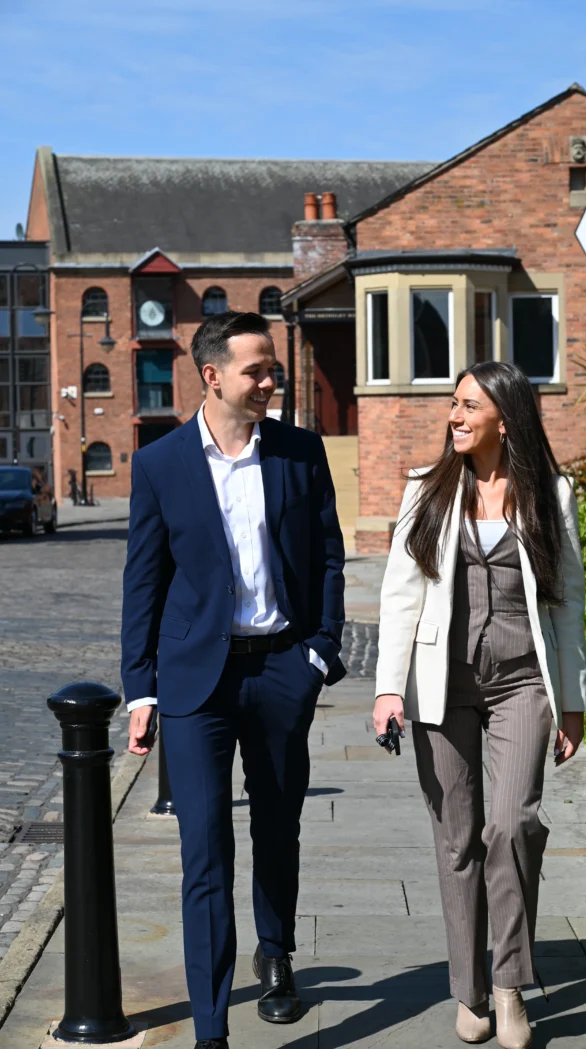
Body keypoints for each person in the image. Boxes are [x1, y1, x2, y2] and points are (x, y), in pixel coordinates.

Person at [121, 311, 345, 1049]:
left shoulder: (299, 452)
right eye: (257, 369)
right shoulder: (160, 466)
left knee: (278, 825)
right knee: (205, 850)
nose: (271, 380)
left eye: (273, 367)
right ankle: (211, 1028)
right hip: (195, 684)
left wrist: (318, 652)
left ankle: (275, 954)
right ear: (212, 375)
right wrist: (142, 688)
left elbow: (328, 558)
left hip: (281, 668)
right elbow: (144, 582)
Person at [373, 362, 586, 1049]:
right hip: (443, 685)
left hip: (524, 680)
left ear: (506, 415)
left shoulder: (551, 494)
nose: (455, 416)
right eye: (454, 404)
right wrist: (387, 686)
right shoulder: (426, 490)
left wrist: (574, 698)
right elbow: (400, 594)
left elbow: (568, 601)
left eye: (469, 405)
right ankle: (468, 989)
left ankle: (509, 982)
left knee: (513, 823)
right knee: (456, 838)